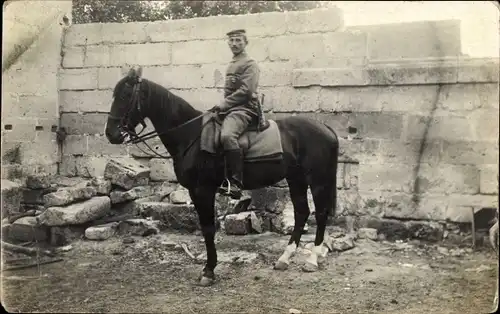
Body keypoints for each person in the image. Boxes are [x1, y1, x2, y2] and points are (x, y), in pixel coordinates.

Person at [210, 29, 261, 199]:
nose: (234, 43)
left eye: (238, 40)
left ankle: (236, 182)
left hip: (244, 109)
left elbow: (246, 91)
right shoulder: (233, 62)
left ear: (246, 42)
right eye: (231, 40)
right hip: (231, 109)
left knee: (227, 136)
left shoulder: (250, 63)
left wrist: (224, 104)